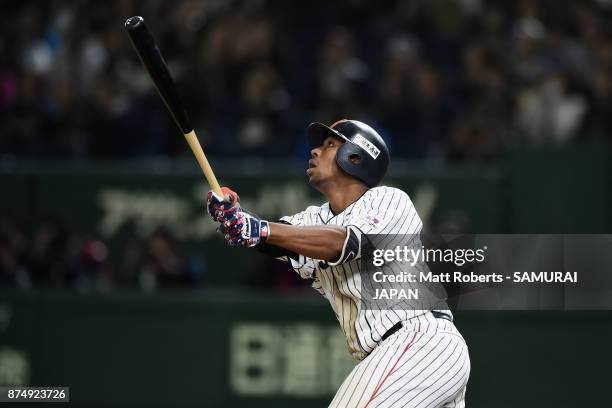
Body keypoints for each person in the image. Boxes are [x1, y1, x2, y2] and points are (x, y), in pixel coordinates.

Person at [207, 119, 470, 407]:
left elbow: (344, 243)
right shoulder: (313, 219)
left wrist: (258, 228)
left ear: (355, 157)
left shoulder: (389, 200)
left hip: (419, 343)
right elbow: (271, 237)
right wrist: (233, 216)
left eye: (330, 144)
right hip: (401, 357)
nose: (315, 151)